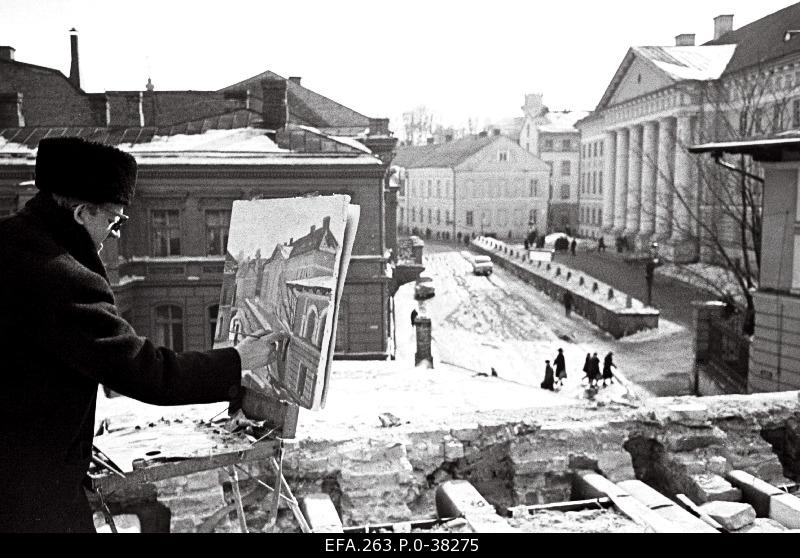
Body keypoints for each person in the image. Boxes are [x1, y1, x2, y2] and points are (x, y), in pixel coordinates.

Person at [0, 137, 289, 533]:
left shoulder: (12, 239)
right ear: (83, 213)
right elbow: (146, 371)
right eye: (114, 221)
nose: (116, 235)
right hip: (28, 491)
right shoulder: (61, 274)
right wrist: (239, 360)